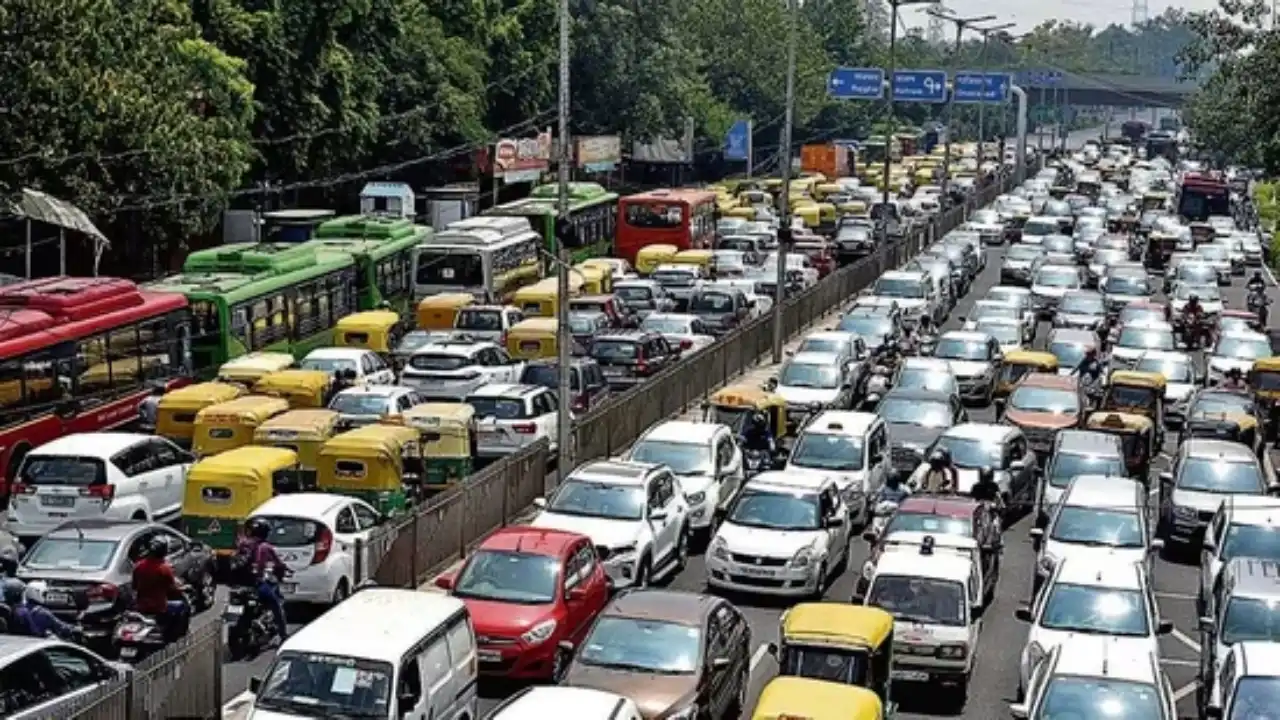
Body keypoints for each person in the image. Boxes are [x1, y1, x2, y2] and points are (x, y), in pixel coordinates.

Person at [237, 519, 290, 642]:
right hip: (258, 585)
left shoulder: (243, 544)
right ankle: (283, 635)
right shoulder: (266, 547)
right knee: (276, 605)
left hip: (239, 585)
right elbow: (279, 564)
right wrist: (283, 569)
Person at [132, 537, 190, 641]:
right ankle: (173, 636)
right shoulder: (164, 568)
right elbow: (173, 589)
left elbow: (134, 586)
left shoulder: (139, 566)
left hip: (139, 606)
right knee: (182, 606)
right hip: (159, 607)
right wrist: (184, 588)